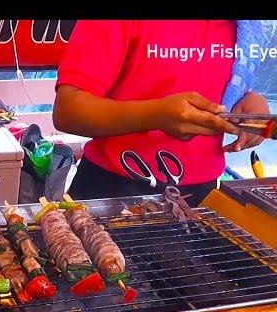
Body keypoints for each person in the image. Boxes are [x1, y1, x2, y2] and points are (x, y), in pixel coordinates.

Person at [53, 20, 269, 206]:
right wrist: (156, 116)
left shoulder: (245, 28)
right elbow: (67, 110)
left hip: (204, 198)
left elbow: (222, 84)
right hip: (109, 189)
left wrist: (249, 100)